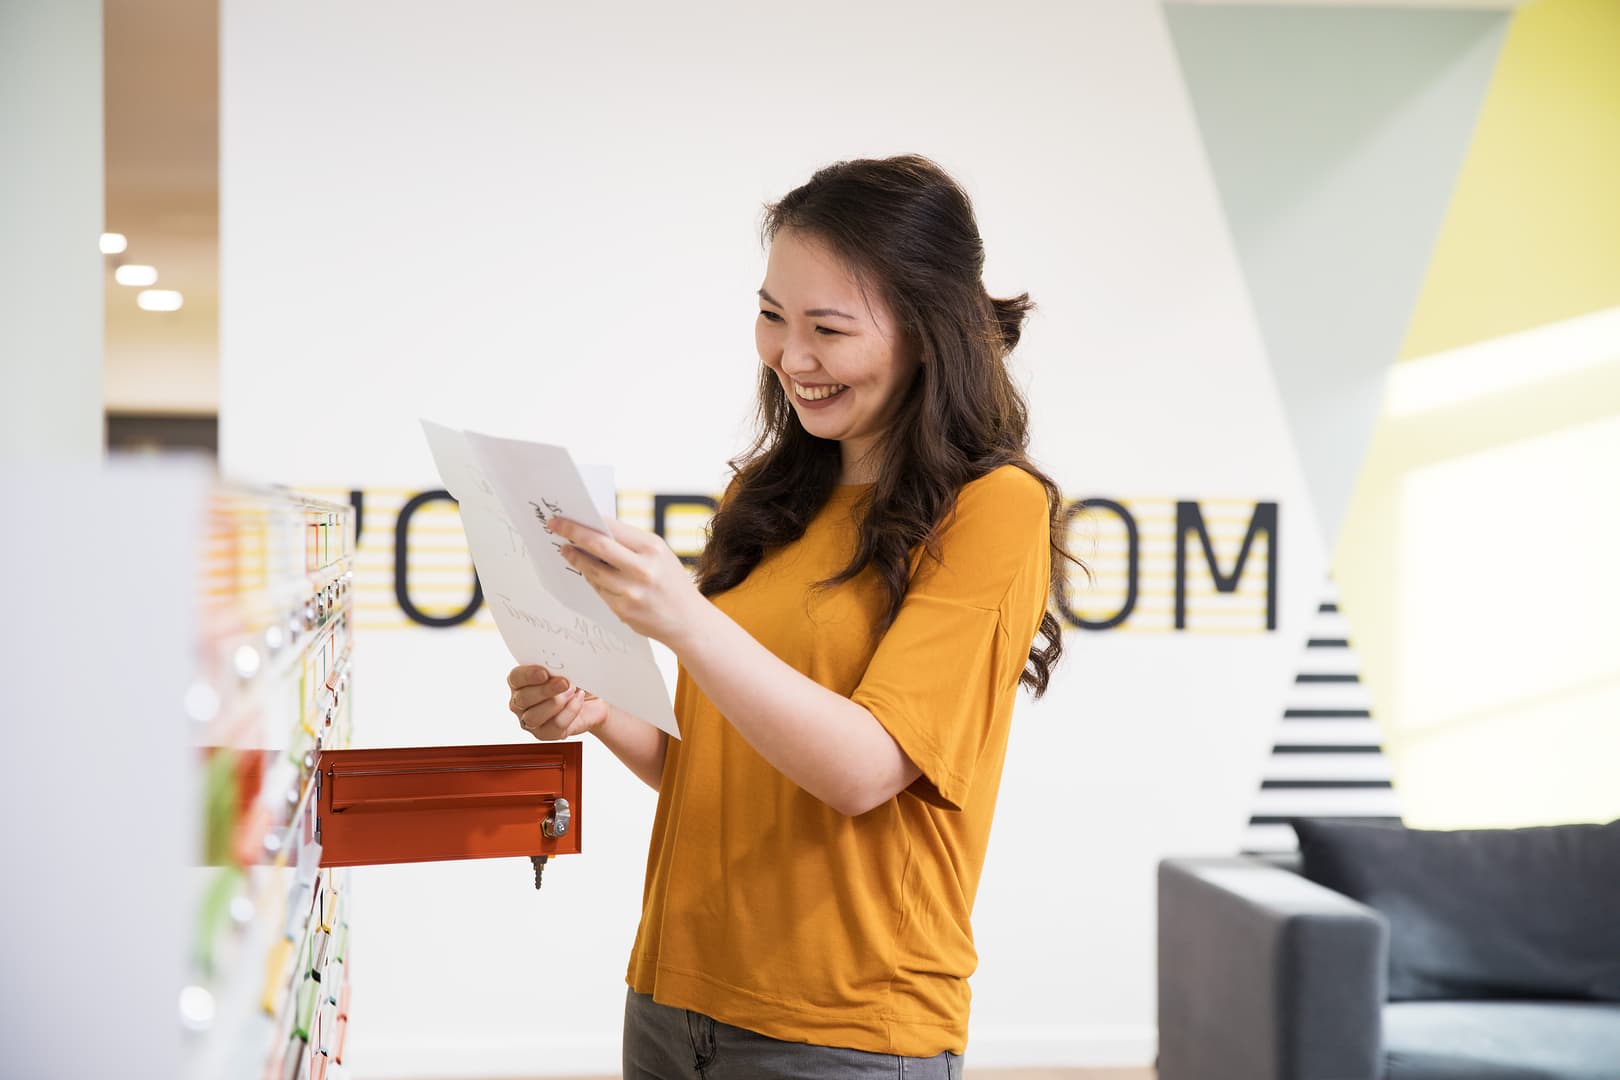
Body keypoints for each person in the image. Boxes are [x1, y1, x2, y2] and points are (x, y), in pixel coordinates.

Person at [505, 155, 1073, 1080]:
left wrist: (683, 619)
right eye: (772, 316)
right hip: (672, 996)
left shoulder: (993, 510)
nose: (790, 357)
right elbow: (716, 762)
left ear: (928, 334)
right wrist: (602, 712)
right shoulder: (764, 497)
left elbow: (860, 771)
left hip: (844, 1028)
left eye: (828, 329)